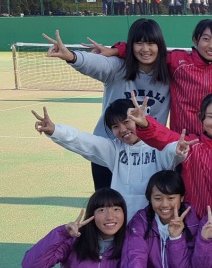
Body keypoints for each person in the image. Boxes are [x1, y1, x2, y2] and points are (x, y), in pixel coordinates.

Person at [42, 19, 171, 190]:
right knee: (106, 204)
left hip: (147, 154)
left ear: (159, 45)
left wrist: (117, 49)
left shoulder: (170, 74)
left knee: (144, 203)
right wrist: (72, 57)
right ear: (131, 45)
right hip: (109, 152)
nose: (145, 49)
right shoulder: (117, 68)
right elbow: (95, 63)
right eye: (139, 43)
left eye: (151, 43)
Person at [32, 97, 186, 220]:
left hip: (154, 221)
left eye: (126, 122)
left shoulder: (157, 146)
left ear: (139, 118)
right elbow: (83, 141)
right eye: (115, 126)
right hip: (123, 222)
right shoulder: (114, 150)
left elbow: (173, 152)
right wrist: (55, 131)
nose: (123, 130)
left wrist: (179, 149)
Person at [132, 93, 212, 219]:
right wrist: (145, 124)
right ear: (201, 117)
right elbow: (163, 136)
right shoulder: (190, 143)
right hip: (192, 221)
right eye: (210, 116)